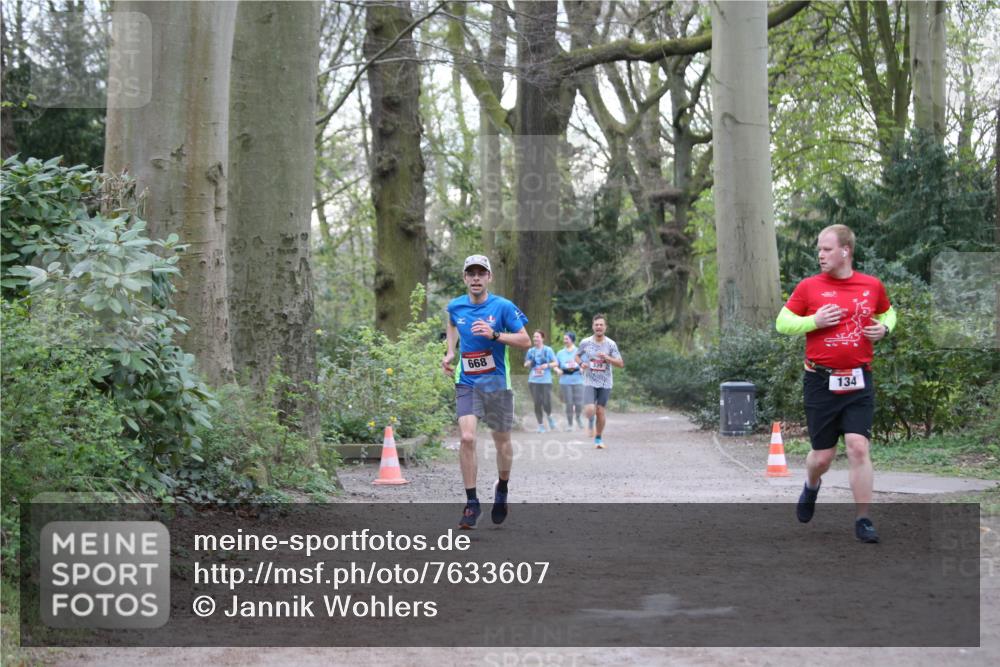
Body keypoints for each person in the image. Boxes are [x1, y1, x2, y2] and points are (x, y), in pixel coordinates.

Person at [776, 224, 896, 544]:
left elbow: (888, 313)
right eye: (819, 248)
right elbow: (782, 322)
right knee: (823, 457)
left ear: (846, 251)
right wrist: (814, 321)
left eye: (827, 249)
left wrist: (885, 329)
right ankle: (812, 485)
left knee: (858, 446)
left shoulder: (871, 285)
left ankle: (864, 519)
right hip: (820, 381)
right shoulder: (809, 287)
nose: (820, 254)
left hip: (859, 379)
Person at [443, 255, 530, 529]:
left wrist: (495, 335)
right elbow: (452, 323)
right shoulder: (456, 306)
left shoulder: (502, 307)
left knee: (501, 442)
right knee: (467, 438)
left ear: (489, 277)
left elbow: (525, 340)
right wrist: (449, 352)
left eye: (482, 273)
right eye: (471, 273)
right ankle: (471, 503)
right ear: (465, 278)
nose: (476, 278)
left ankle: (502, 487)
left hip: (495, 383)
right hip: (467, 381)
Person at [576, 314, 624, 449]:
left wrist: (608, 358)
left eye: (601, 325)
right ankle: (590, 421)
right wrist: (581, 364)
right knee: (591, 409)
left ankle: (598, 438)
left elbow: (620, 363)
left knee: (600, 411)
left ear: (605, 327)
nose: (598, 327)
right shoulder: (585, 342)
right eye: (596, 324)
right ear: (593, 326)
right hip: (589, 381)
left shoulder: (611, 344)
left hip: (605, 382)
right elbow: (577, 356)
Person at [524, 330, 559, 433]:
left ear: (542, 338)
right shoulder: (531, 351)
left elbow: (556, 363)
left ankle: (549, 415)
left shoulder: (548, 350)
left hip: (545, 381)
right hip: (533, 380)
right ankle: (541, 425)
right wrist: (529, 362)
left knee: (546, 402)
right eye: (534, 337)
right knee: (537, 403)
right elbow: (525, 364)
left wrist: (547, 365)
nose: (535, 339)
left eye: (537, 337)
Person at [556, 332, 585, 431]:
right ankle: (570, 424)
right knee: (569, 403)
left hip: (578, 380)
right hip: (565, 381)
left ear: (572, 340)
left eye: (566, 339)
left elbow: (585, 364)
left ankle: (578, 417)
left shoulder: (579, 352)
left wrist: (582, 368)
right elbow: (556, 365)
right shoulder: (560, 353)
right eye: (564, 339)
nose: (564, 341)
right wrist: (557, 370)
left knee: (579, 403)